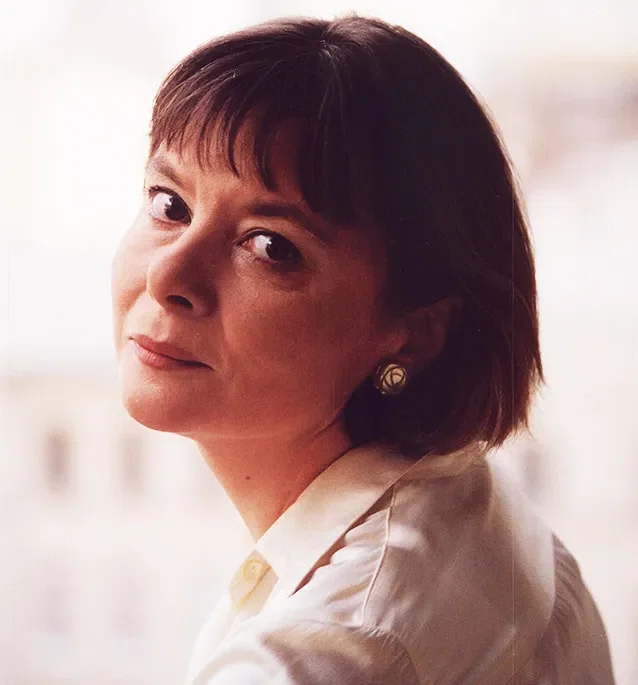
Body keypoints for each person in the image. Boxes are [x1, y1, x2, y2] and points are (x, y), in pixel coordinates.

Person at [111, 15, 615, 685]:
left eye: (271, 246)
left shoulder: (332, 651)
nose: (168, 276)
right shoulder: (463, 502)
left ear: (416, 330)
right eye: (170, 204)